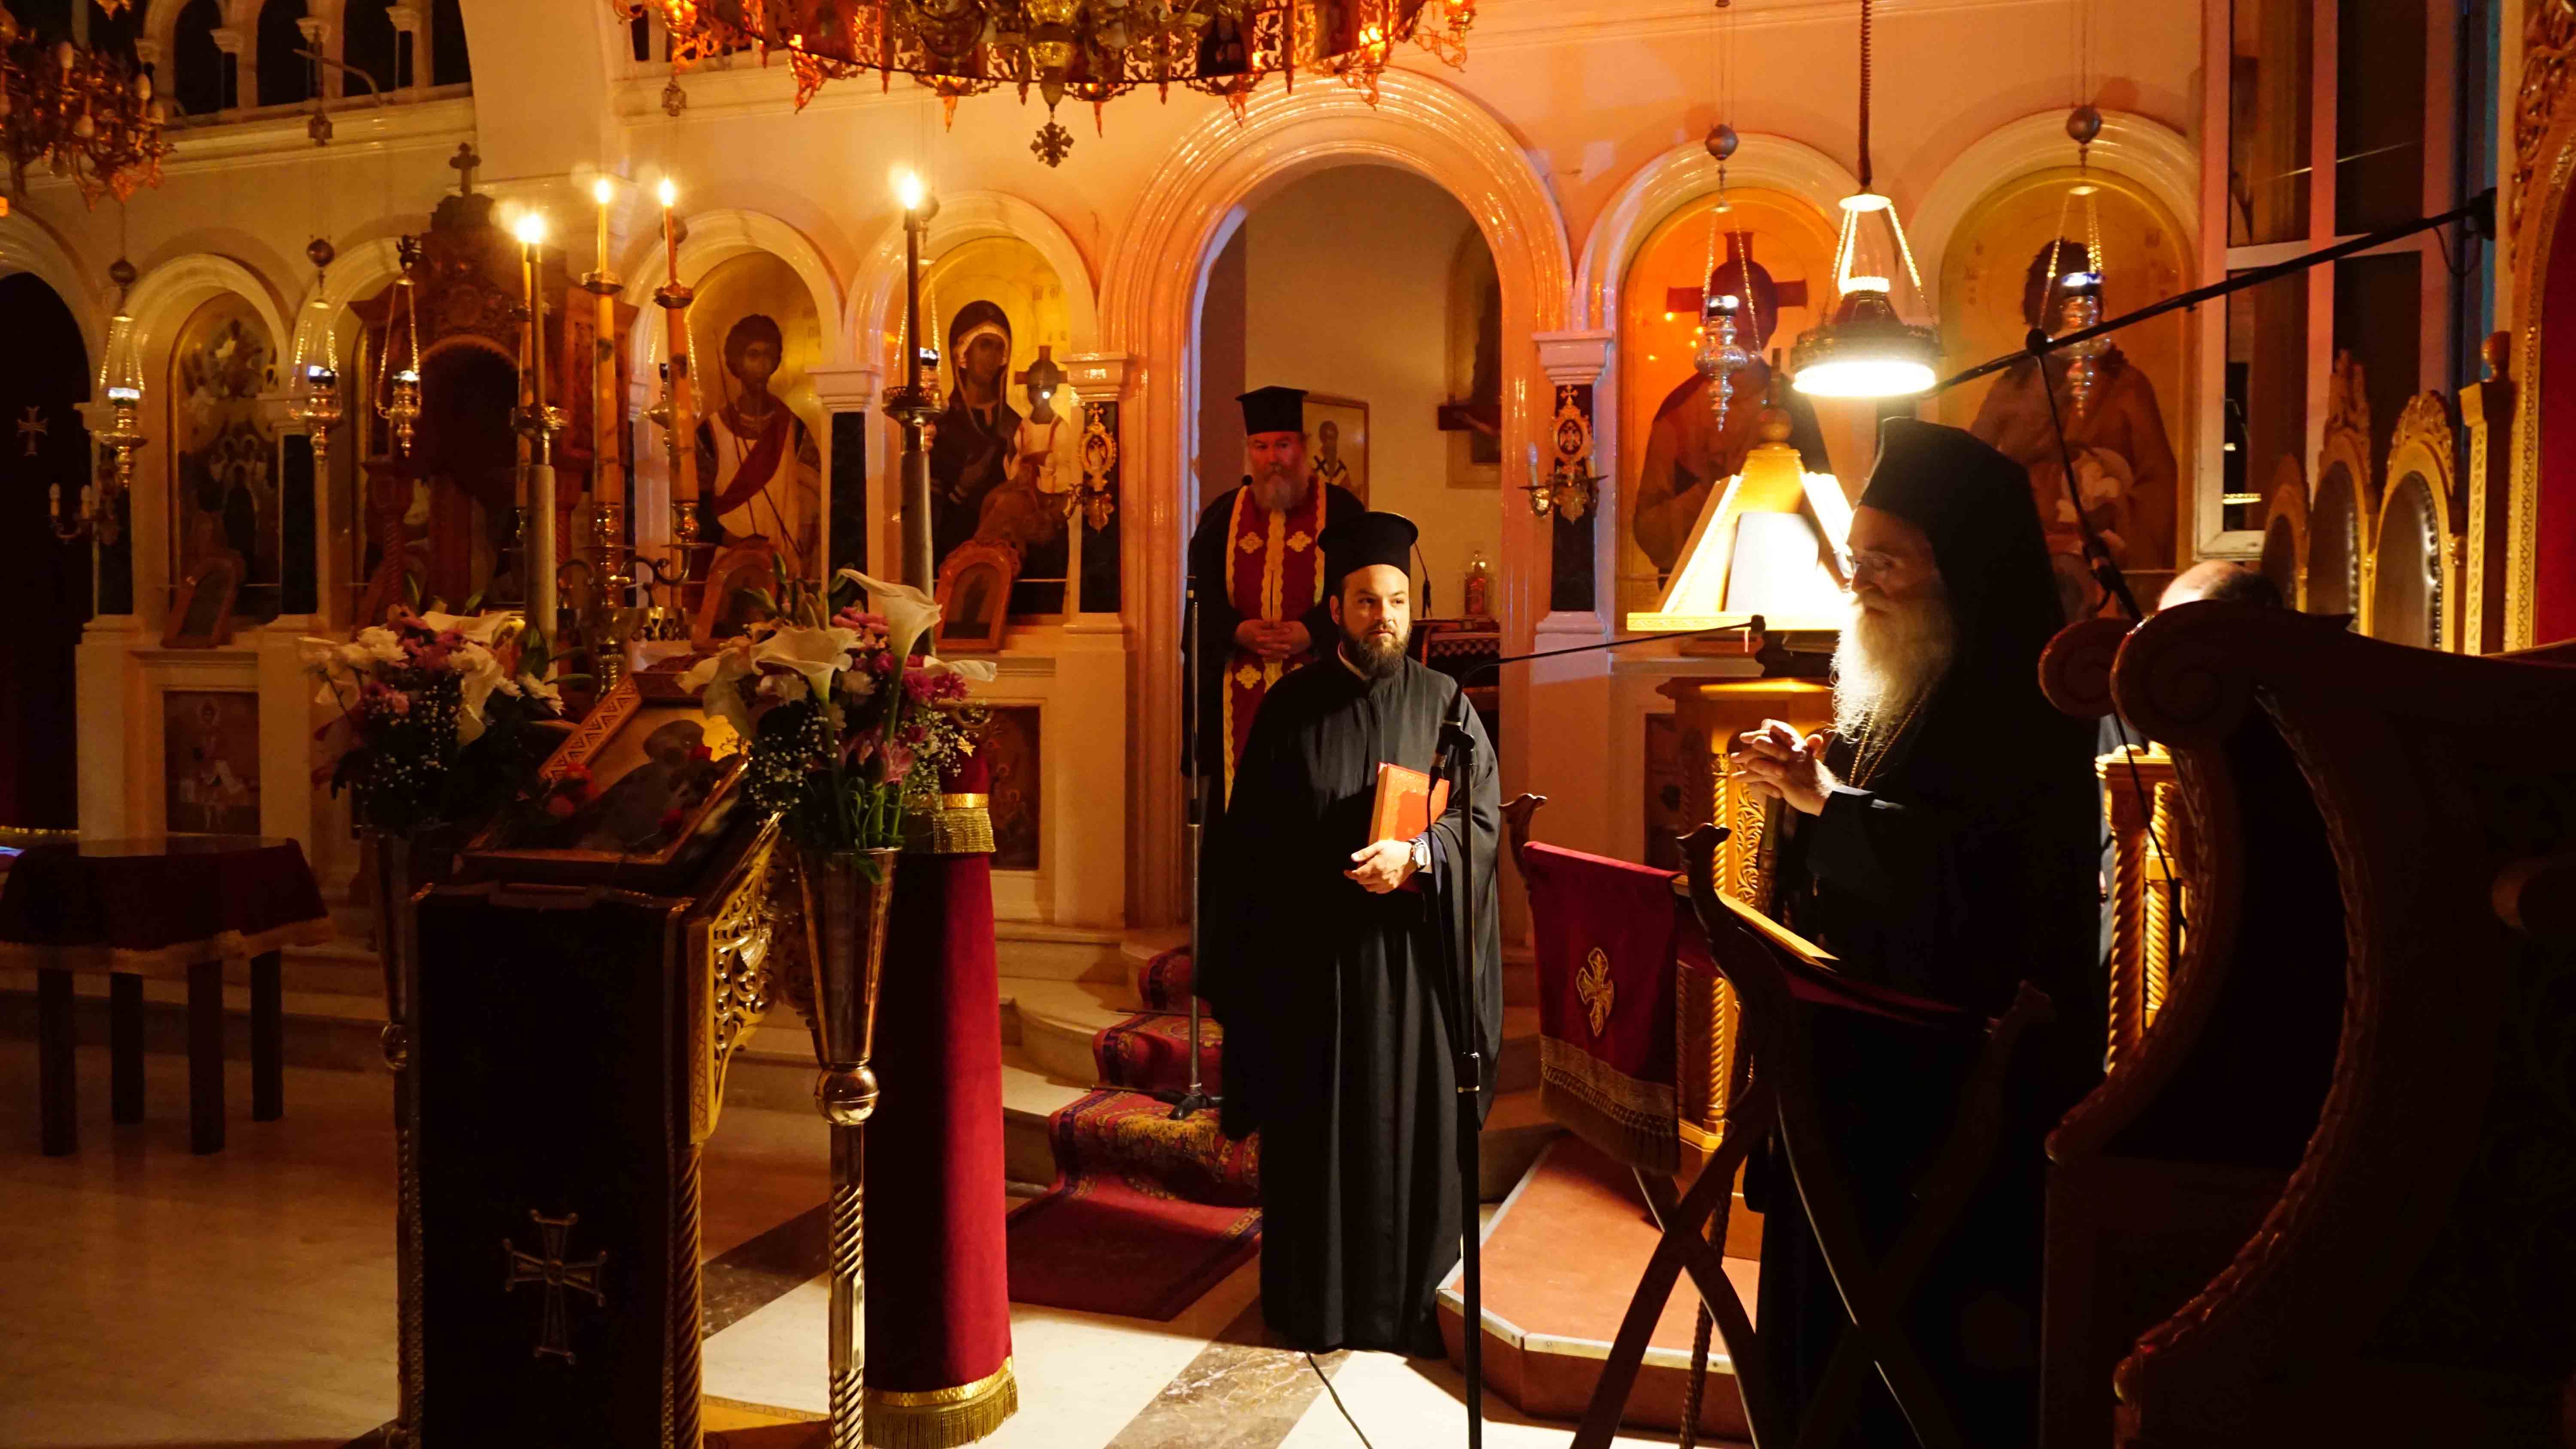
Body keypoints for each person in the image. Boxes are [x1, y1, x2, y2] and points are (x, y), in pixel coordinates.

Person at [1733, 418, 2099, 1447]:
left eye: (1886, 561)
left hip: (1945, 1094)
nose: (1859, 582)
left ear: (1959, 567)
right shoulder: (1890, 674)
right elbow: (1856, 823)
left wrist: (1826, 804)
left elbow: (1981, 880)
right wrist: (1803, 783)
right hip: (1847, 1065)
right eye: (1856, 557)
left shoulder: (2025, 701)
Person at [1201, 509, 1502, 1356]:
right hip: (1317, 973)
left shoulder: (1446, 704)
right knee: (1320, 1141)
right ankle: (1319, 1305)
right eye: (1367, 602)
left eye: (1397, 602)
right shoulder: (1289, 707)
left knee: (1413, 1139)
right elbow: (1249, 849)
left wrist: (1417, 857)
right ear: (1336, 608)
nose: (1384, 618)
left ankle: (1411, 1306)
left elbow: (1481, 818)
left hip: (1415, 970)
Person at [1184, 385, 1365, 799]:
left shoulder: (1343, 512)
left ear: (1303, 447)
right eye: (1261, 447)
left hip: (1319, 684)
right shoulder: (1220, 517)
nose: (1273, 458)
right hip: (1237, 689)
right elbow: (1199, 602)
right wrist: (1236, 630)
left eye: (1283, 445)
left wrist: (1314, 631)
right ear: (1250, 451)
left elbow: (1361, 595)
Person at [1969, 242, 2181, 582]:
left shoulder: (2127, 386)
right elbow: (1973, 472)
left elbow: (2160, 484)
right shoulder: (2012, 389)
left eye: (2079, 297)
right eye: (2055, 298)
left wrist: (2112, 513)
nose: (2070, 309)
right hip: (2028, 556)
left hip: (2103, 562)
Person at [1632, 236, 1833, 575]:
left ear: (1773, 320)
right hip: (1694, 583)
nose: (1740, 324)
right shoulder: (1679, 413)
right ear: (1708, 321)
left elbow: (1823, 512)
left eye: (1756, 310)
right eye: (1728, 311)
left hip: (1775, 578)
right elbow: (1651, 532)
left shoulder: (1794, 405)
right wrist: (1708, 491)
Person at [694, 313, 823, 578]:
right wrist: (741, 545)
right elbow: (698, 508)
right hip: (730, 565)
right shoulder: (710, 432)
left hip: (784, 562)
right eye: (753, 355)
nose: (762, 365)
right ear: (736, 362)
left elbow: (812, 496)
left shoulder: (793, 428)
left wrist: (802, 548)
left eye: (768, 355)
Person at [930, 300, 1021, 567]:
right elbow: (927, 516)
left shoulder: (1014, 423)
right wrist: (962, 488)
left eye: (999, 348)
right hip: (955, 557)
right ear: (963, 354)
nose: (993, 357)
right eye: (985, 346)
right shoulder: (942, 425)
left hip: (1009, 557)